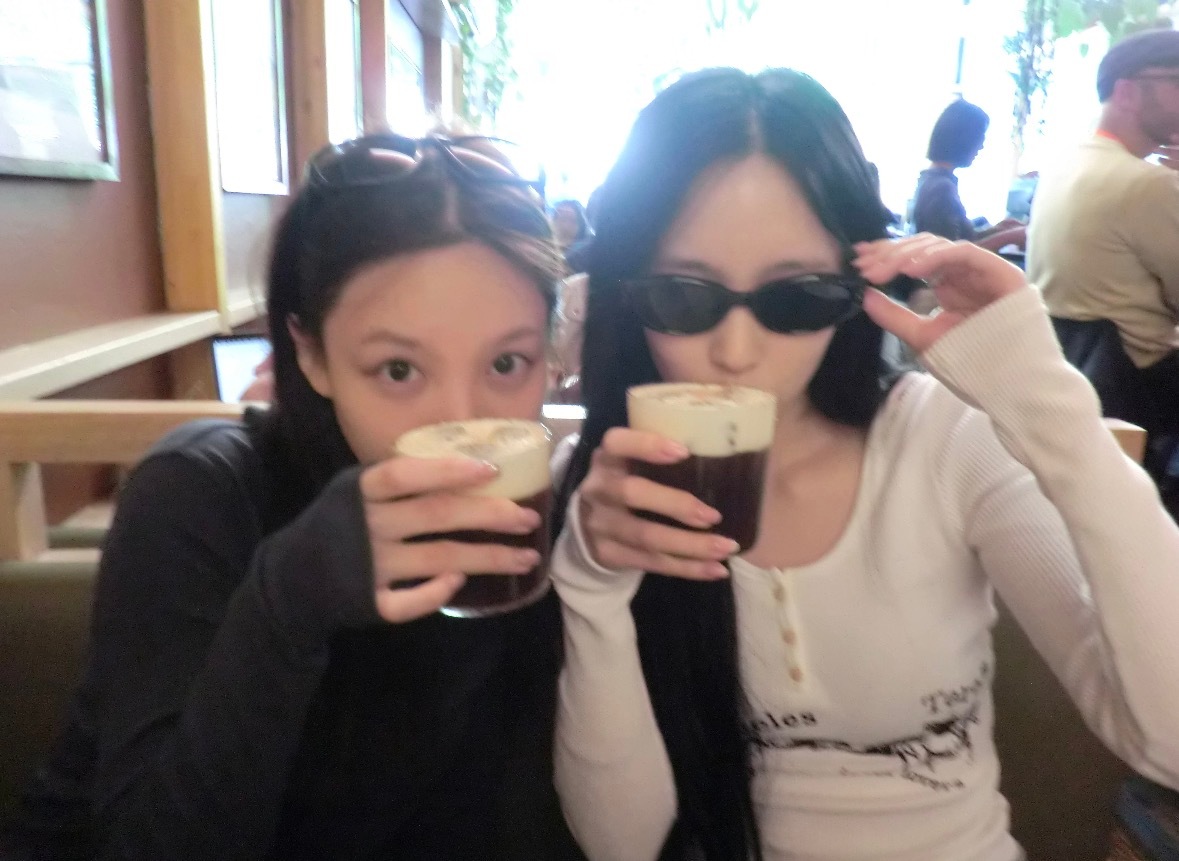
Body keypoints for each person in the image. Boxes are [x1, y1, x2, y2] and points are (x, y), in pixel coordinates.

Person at [548, 68, 1179, 861]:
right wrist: (592, 588)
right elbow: (624, 845)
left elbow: (1167, 738)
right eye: (683, 295)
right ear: (626, 293)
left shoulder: (941, 439)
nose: (736, 352)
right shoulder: (608, 492)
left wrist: (1047, 404)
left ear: (854, 286)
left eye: (794, 297)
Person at [1, 133, 581, 860]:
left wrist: (599, 591)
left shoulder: (549, 514)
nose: (463, 427)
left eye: (506, 363)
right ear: (309, 355)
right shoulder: (201, 494)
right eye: (398, 370)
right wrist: (289, 599)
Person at [1026, 28, 1179, 444]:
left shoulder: (1066, 162)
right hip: (1139, 386)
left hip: (1073, 371)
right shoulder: (1146, 183)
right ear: (1127, 92)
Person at [911, 99, 1027, 253]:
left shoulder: (932, 180)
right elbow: (949, 255)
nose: (981, 146)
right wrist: (1010, 237)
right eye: (980, 137)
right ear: (963, 138)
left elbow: (958, 240)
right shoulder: (941, 189)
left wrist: (998, 230)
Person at [551, 199, 593, 273]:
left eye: (572, 221)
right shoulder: (543, 251)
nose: (566, 226)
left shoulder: (587, 254)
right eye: (562, 219)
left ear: (581, 225)